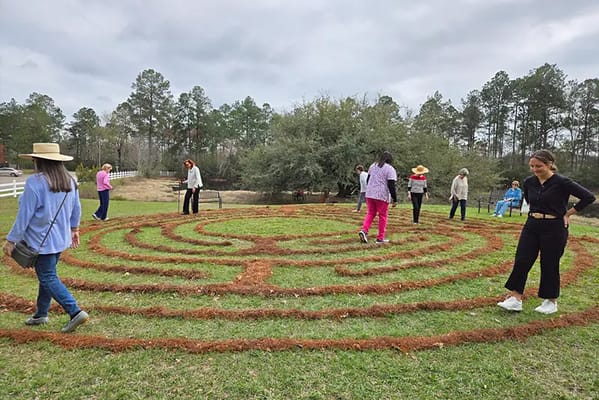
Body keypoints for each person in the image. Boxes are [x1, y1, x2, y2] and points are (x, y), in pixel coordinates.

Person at [2, 143, 89, 333]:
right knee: (46, 275)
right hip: (59, 240)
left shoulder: (35, 182)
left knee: (47, 276)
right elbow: (77, 208)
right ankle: (41, 314)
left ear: (38, 161)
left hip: (39, 242)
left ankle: (75, 311)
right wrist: (74, 228)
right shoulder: (69, 181)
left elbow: (24, 215)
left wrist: (11, 240)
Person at [498, 149, 595, 314]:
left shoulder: (562, 182)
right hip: (532, 224)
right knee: (522, 259)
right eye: (532, 166)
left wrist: (568, 213)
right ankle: (515, 298)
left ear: (550, 164)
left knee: (549, 262)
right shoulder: (529, 182)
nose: (535, 169)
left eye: (539, 166)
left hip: (554, 227)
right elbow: (529, 200)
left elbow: (588, 197)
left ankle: (550, 301)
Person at [358, 151, 398, 244]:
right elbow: (391, 185)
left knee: (371, 213)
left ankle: (364, 230)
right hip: (381, 195)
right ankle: (380, 238)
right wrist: (395, 199)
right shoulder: (390, 169)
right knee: (382, 216)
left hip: (370, 193)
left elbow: (368, 179)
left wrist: (371, 189)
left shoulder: (373, 166)